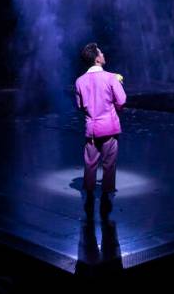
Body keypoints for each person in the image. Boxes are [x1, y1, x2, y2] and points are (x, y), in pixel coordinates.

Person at [74, 42, 126, 218]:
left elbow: (80, 105)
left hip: (92, 129)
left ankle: (88, 198)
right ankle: (107, 200)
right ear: (97, 58)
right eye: (101, 52)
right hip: (109, 128)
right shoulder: (111, 77)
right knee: (109, 165)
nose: (104, 54)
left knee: (90, 164)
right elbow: (122, 100)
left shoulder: (79, 81)